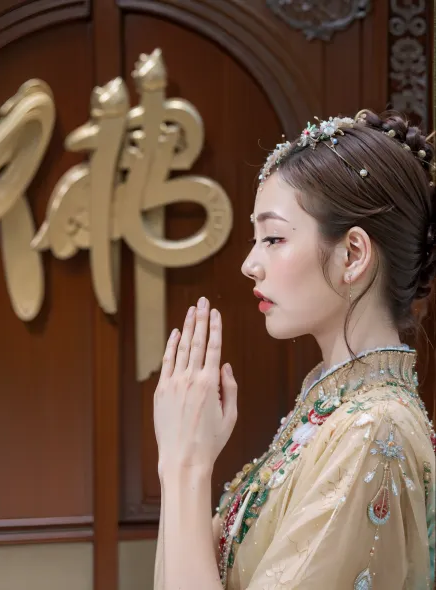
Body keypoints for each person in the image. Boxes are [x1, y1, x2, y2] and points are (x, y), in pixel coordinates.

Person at [152, 110, 436, 590]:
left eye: (274, 238)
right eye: (255, 239)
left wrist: (185, 465)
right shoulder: (333, 411)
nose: (249, 264)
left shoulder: (372, 430)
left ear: (353, 255)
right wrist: (180, 461)